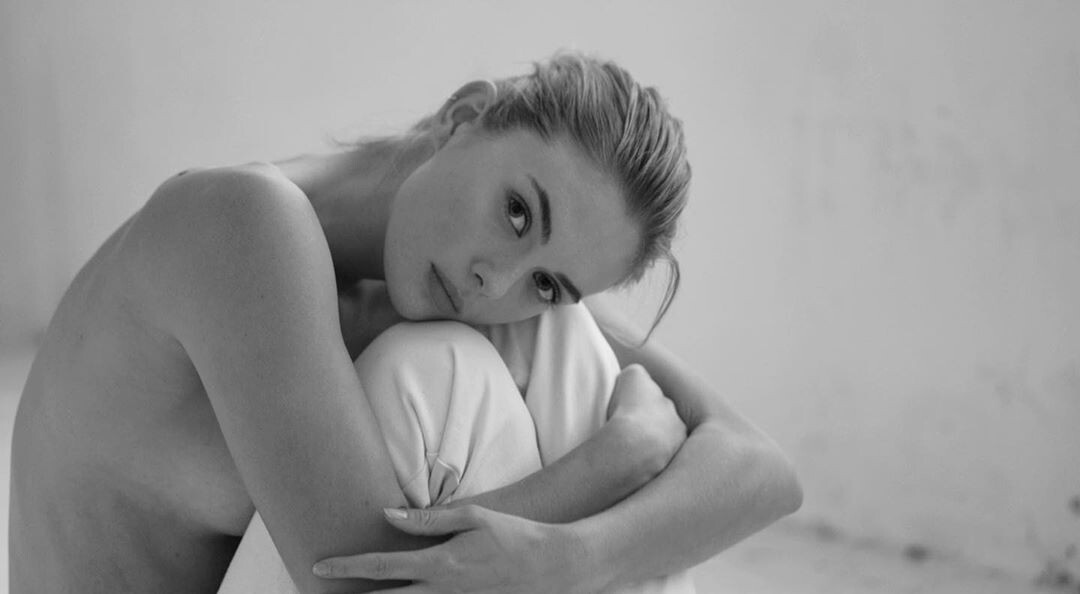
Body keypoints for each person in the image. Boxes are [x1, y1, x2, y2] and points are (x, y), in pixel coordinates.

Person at [9, 53, 802, 593]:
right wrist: (615, 460)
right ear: (465, 115)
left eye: (547, 278)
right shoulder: (242, 223)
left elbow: (761, 469)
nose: (496, 278)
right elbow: (360, 577)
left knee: (563, 341)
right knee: (448, 374)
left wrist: (579, 556)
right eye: (517, 211)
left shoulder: (481, 290)